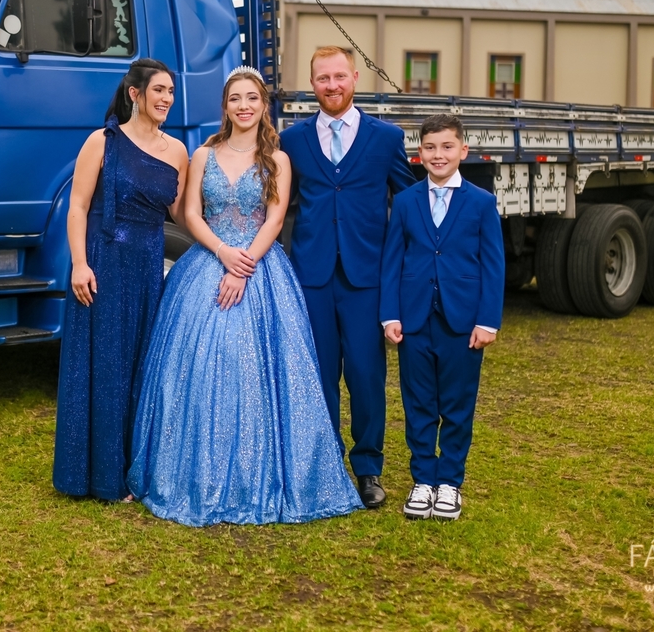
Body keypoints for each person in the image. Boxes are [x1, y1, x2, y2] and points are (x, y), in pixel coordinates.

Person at [127, 66, 363, 526]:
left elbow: (274, 221)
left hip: (259, 268)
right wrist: (221, 253)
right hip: (208, 263)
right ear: (225, 106)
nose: (244, 107)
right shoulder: (203, 153)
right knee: (194, 368)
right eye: (235, 99)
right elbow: (190, 213)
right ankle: (189, 473)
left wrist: (245, 265)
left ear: (263, 105)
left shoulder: (278, 159)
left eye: (252, 99)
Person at [278, 46, 416, 509]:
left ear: (355, 77)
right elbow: (278, 205)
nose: (332, 85)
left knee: (365, 374)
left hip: (366, 277)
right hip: (311, 275)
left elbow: (410, 202)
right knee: (318, 375)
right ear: (311, 83)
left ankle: (368, 467)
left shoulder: (385, 139)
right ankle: (325, 463)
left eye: (339, 76)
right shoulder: (292, 141)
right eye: (322, 78)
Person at [52, 59, 190, 502]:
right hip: (102, 263)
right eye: (160, 90)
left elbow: (185, 215)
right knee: (104, 366)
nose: (167, 98)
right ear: (136, 94)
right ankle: (95, 474)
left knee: (140, 366)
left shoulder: (178, 152)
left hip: (149, 268)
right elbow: (77, 206)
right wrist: (78, 263)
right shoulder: (103, 142)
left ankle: (133, 469)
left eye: (171, 91)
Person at [380, 113, 505, 521]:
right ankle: (423, 480)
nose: (439, 155)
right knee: (418, 403)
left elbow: (493, 264)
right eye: (430, 148)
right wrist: (389, 314)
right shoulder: (406, 201)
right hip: (414, 320)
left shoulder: (482, 203)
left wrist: (487, 321)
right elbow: (393, 260)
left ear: (463, 151)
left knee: (456, 404)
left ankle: (450, 481)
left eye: (447, 147)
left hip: (463, 322)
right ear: (420, 154)